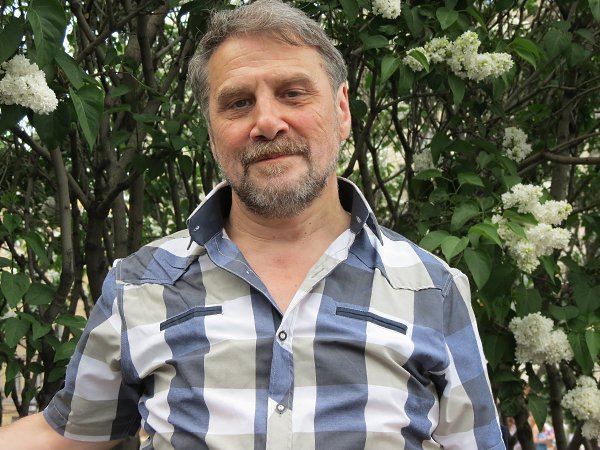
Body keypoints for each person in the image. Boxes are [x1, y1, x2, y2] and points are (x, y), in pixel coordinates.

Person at [0, 1, 505, 448]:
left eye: (293, 93)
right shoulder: (140, 286)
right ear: (212, 132)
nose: (266, 122)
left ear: (342, 111)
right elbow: (66, 436)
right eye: (239, 102)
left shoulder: (432, 289)